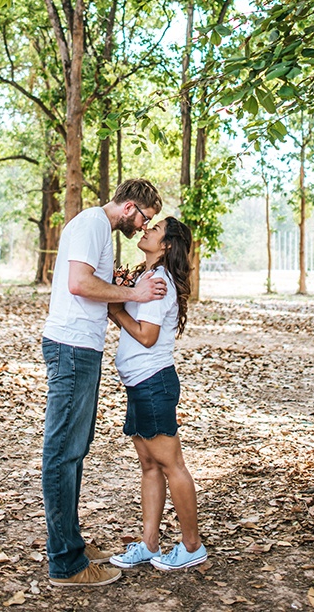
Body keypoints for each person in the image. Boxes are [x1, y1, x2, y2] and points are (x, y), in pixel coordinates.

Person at [41, 178, 165, 588]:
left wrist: (128, 289)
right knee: (62, 452)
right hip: (71, 347)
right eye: (145, 218)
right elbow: (80, 284)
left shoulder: (102, 231)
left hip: (83, 349)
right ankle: (66, 563)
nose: (143, 227)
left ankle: (71, 543)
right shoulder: (94, 222)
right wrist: (138, 294)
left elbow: (97, 288)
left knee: (75, 450)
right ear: (129, 207)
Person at [108, 217, 207, 572]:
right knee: (149, 465)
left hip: (153, 383)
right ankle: (149, 544)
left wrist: (116, 309)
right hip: (139, 383)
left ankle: (192, 545)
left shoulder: (157, 280)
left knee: (170, 464)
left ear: (166, 245)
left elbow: (147, 336)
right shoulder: (144, 277)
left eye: (156, 229)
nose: (146, 229)